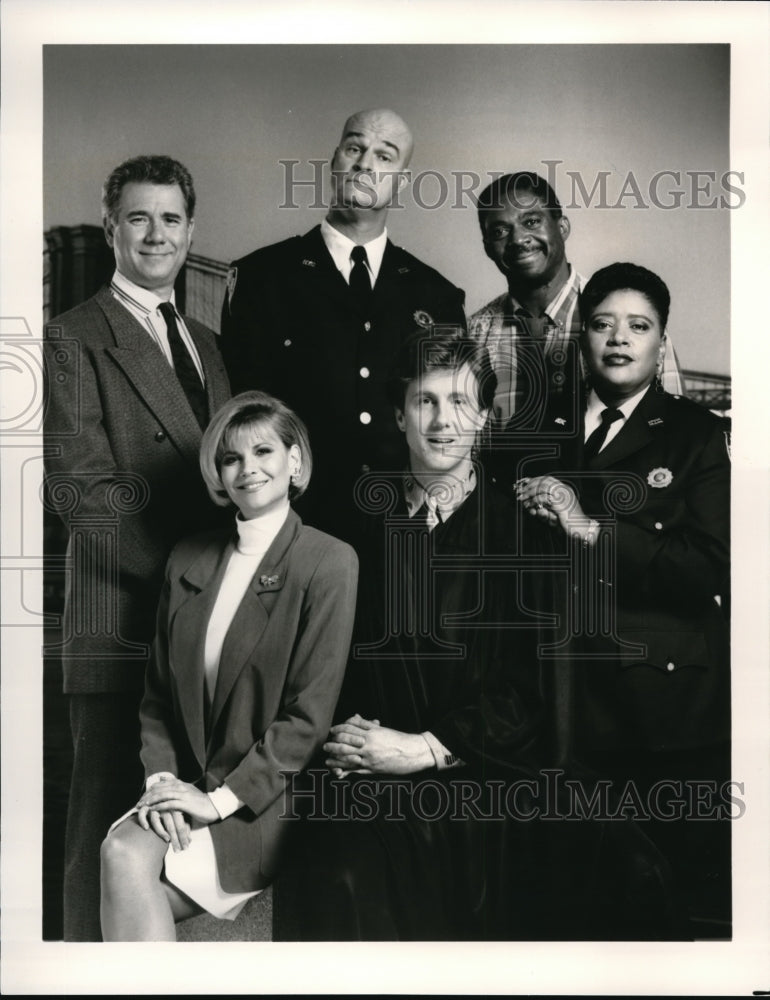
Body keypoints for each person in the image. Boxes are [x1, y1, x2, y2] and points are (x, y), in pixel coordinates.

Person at [284, 330, 676, 941]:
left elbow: (536, 690)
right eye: (426, 402)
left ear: (487, 418)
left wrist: (427, 747)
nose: (444, 422)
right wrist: (362, 748)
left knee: (631, 868)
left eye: (462, 403)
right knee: (340, 873)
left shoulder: (524, 534)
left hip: (496, 768)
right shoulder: (348, 528)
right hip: (372, 769)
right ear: (399, 413)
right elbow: (314, 666)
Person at [43, 155, 231, 940]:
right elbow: (84, 493)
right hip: (125, 620)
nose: (157, 234)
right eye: (139, 218)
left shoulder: (208, 343)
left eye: (172, 219)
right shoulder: (71, 337)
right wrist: (191, 585)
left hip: (201, 625)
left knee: (173, 838)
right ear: (112, 226)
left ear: (192, 230)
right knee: (104, 830)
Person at [515, 262, 731, 935]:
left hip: (661, 713)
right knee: (569, 906)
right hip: (555, 702)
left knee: (669, 908)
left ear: (661, 343)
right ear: (582, 335)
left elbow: (709, 568)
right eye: (603, 323)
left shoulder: (694, 434)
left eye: (638, 326)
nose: (618, 338)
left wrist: (589, 528)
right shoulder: (540, 426)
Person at [99, 392, 358, 940]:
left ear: (295, 461)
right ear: (218, 474)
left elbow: (306, 720)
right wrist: (164, 784)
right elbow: (158, 698)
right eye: (231, 458)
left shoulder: (329, 560)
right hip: (187, 783)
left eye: (263, 451)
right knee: (121, 850)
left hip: (267, 798)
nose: (248, 469)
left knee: (126, 876)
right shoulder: (188, 557)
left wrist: (214, 802)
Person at [220, 108, 466, 544]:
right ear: (334, 161)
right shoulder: (263, 277)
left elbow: (450, 423)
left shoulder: (437, 296)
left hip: (405, 533)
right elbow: (243, 413)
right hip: (294, 531)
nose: (366, 164)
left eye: (385, 156)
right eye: (355, 148)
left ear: (402, 180)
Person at [469, 172, 684, 438]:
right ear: (488, 247)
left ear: (562, 228)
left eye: (532, 221)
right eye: (500, 231)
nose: (518, 239)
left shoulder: (630, 322)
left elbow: (675, 435)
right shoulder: (475, 333)